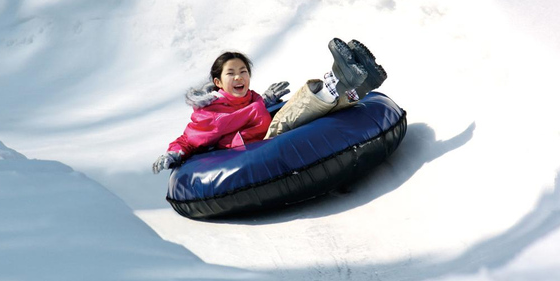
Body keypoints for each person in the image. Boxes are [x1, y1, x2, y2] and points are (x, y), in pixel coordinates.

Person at [152, 38, 387, 173]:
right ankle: (336, 82)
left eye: (243, 72)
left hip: (264, 138)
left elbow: (256, 114)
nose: (239, 78)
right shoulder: (209, 111)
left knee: (306, 117)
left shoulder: (251, 98)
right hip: (251, 151)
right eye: (231, 73)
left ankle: (358, 88)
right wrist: (173, 154)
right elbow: (190, 139)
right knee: (286, 120)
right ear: (218, 82)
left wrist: (264, 101)